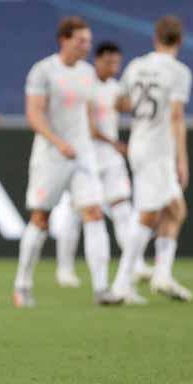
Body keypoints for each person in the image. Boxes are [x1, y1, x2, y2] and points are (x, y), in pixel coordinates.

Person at [13, 16, 122, 308]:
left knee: (94, 213)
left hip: (82, 155)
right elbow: (34, 114)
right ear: (64, 39)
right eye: (81, 41)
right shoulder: (43, 71)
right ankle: (22, 285)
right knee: (40, 219)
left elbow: (86, 113)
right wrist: (59, 142)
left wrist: (94, 142)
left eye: (88, 41)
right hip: (51, 155)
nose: (86, 46)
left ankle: (102, 288)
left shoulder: (87, 73)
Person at [53, 41, 153, 288]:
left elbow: (132, 107)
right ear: (97, 61)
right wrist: (115, 142)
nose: (113, 67)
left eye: (117, 63)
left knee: (122, 209)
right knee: (77, 214)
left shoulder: (116, 88)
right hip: (85, 157)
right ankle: (64, 269)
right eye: (109, 62)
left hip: (110, 159)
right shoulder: (86, 86)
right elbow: (88, 127)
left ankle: (136, 263)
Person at [110, 16, 193, 304]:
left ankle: (162, 275)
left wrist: (140, 104)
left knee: (176, 210)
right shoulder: (180, 72)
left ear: (155, 38)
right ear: (179, 41)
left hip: (139, 143)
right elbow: (176, 115)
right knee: (147, 215)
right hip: (158, 150)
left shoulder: (136, 66)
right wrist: (182, 159)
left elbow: (119, 103)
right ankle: (122, 282)